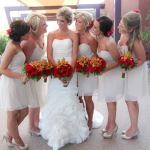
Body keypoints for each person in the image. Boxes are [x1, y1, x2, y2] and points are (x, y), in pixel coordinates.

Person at [39, 7, 89, 150]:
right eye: (58, 20)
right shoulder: (51, 34)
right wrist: (58, 70)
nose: (59, 23)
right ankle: (55, 130)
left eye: (62, 21)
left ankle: (73, 130)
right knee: (55, 97)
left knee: (69, 97)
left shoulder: (74, 34)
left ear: (68, 21)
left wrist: (70, 71)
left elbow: (74, 55)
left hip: (70, 69)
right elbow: (49, 55)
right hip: (56, 70)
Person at [0, 20, 30, 149]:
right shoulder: (12, 46)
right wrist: (20, 76)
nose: (29, 35)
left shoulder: (18, 44)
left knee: (24, 110)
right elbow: (2, 69)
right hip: (11, 82)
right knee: (12, 113)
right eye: (27, 33)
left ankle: (9, 134)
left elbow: (17, 63)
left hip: (19, 83)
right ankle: (18, 141)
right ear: (20, 34)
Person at [118, 11, 148, 139]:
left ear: (130, 27)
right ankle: (133, 126)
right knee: (130, 99)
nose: (119, 23)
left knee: (130, 99)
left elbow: (142, 60)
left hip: (135, 71)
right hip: (129, 70)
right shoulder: (123, 36)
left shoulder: (135, 41)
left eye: (122, 23)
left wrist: (128, 65)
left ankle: (134, 128)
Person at [93, 16, 123, 138]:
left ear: (102, 29)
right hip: (105, 74)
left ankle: (112, 127)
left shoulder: (110, 42)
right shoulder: (98, 38)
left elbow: (119, 61)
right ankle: (111, 123)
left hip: (112, 74)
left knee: (111, 101)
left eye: (95, 27)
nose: (93, 28)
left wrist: (105, 69)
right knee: (108, 100)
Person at [75, 11, 103, 131]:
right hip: (76, 72)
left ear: (86, 24)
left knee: (87, 98)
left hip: (87, 73)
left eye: (79, 21)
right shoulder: (74, 35)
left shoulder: (91, 39)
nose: (76, 23)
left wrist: (88, 66)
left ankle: (90, 121)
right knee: (77, 98)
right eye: (76, 21)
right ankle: (82, 118)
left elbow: (97, 57)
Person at [21, 13, 47, 135]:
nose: (46, 26)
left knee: (38, 99)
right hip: (31, 76)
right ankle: (31, 126)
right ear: (35, 27)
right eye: (43, 24)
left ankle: (37, 121)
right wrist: (36, 70)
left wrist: (43, 68)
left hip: (39, 75)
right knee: (33, 101)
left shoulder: (42, 36)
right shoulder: (28, 42)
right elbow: (23, 63)